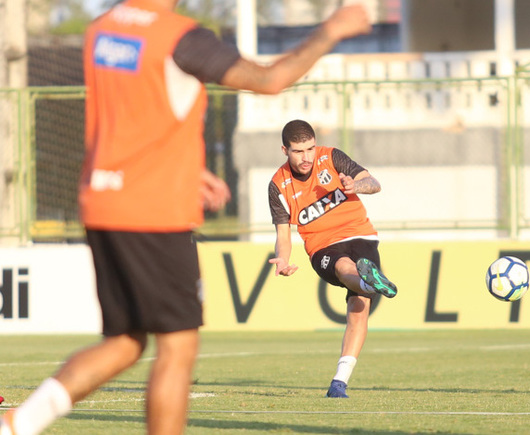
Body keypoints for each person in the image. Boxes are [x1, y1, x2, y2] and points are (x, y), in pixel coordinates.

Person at [0, 1, 370, 434]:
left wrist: (184, 169)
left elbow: (134, 111)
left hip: (102, 201)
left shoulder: (102, 29)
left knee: (125, 343)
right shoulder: (178, 37)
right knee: (177, 346)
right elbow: (271, 79)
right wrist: (333, 29)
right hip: (151, 211)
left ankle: (17, 424)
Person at [268, 119, 397, 399]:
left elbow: (374, 183)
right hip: (322, 246)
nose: (306, 157)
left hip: (360, 234)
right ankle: (369, 282)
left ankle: (339, 382)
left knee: (359, 307)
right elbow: (283, 233)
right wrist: (282, 258)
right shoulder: (278, 185)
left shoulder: (332, 158)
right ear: (285, 150)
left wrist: (356, 186)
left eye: (310, 149)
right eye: (298, 151)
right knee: (342, 266)